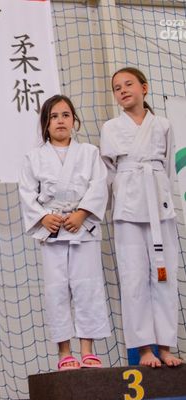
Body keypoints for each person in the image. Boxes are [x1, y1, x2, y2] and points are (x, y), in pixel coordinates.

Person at [19, 95, 111, 370]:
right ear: (45, 125)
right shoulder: (34, 157)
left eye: (65, 115)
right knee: (57, 289)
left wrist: (82, 213)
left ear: (74, 121)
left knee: (87, 286)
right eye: (54, 116)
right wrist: (43, 217)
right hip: (54, 230)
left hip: (82, 227)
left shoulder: (90, 153)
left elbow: (99, 185)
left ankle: (87, 349)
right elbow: (27, 192)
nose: (60, 121)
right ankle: (64, 352)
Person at [100, 67, 182, 368]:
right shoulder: (111, 127)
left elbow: (168, 167)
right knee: (133, 279)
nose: (123, 90)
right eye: (117, 87)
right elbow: (107, 173)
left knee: (164, 276)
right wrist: (115, 204)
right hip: (128, 210)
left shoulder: (162, 125)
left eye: (128, 84)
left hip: (160, 207)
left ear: (144, 88)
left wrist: (162, 197)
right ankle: (144, 349)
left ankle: (165, 346)